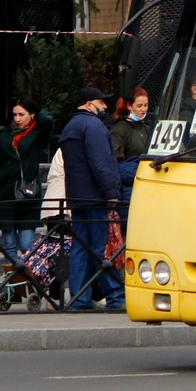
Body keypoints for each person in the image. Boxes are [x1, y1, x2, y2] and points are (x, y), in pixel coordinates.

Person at [57, 86, 125, 311]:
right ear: (88, 104)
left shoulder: (70, 126)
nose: (105, 106)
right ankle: (116, 296)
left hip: (77, 196)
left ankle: (79, 297)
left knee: (80, 247)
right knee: (102, 247)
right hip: (96, 196)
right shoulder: (93, 125)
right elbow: (101, 163)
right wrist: (112, 192)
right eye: (101, 102)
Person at [0, 98, 53, 263]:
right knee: (9, 245)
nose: (17, 119)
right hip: (6, 193)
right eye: (14, 115)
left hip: (27, 194)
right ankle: (11, 285)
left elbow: (48, 121)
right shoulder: (6, 134)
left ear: (32, 114)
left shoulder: (37, 134)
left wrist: (37, 111)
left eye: (22, 114)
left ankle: (28, 281)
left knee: (27, 245)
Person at [109, 88, 153, 161]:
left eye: (146, 105)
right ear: (129, 106)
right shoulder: (120, 130)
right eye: (139, 106)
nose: (144, 109)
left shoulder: (147, 128)